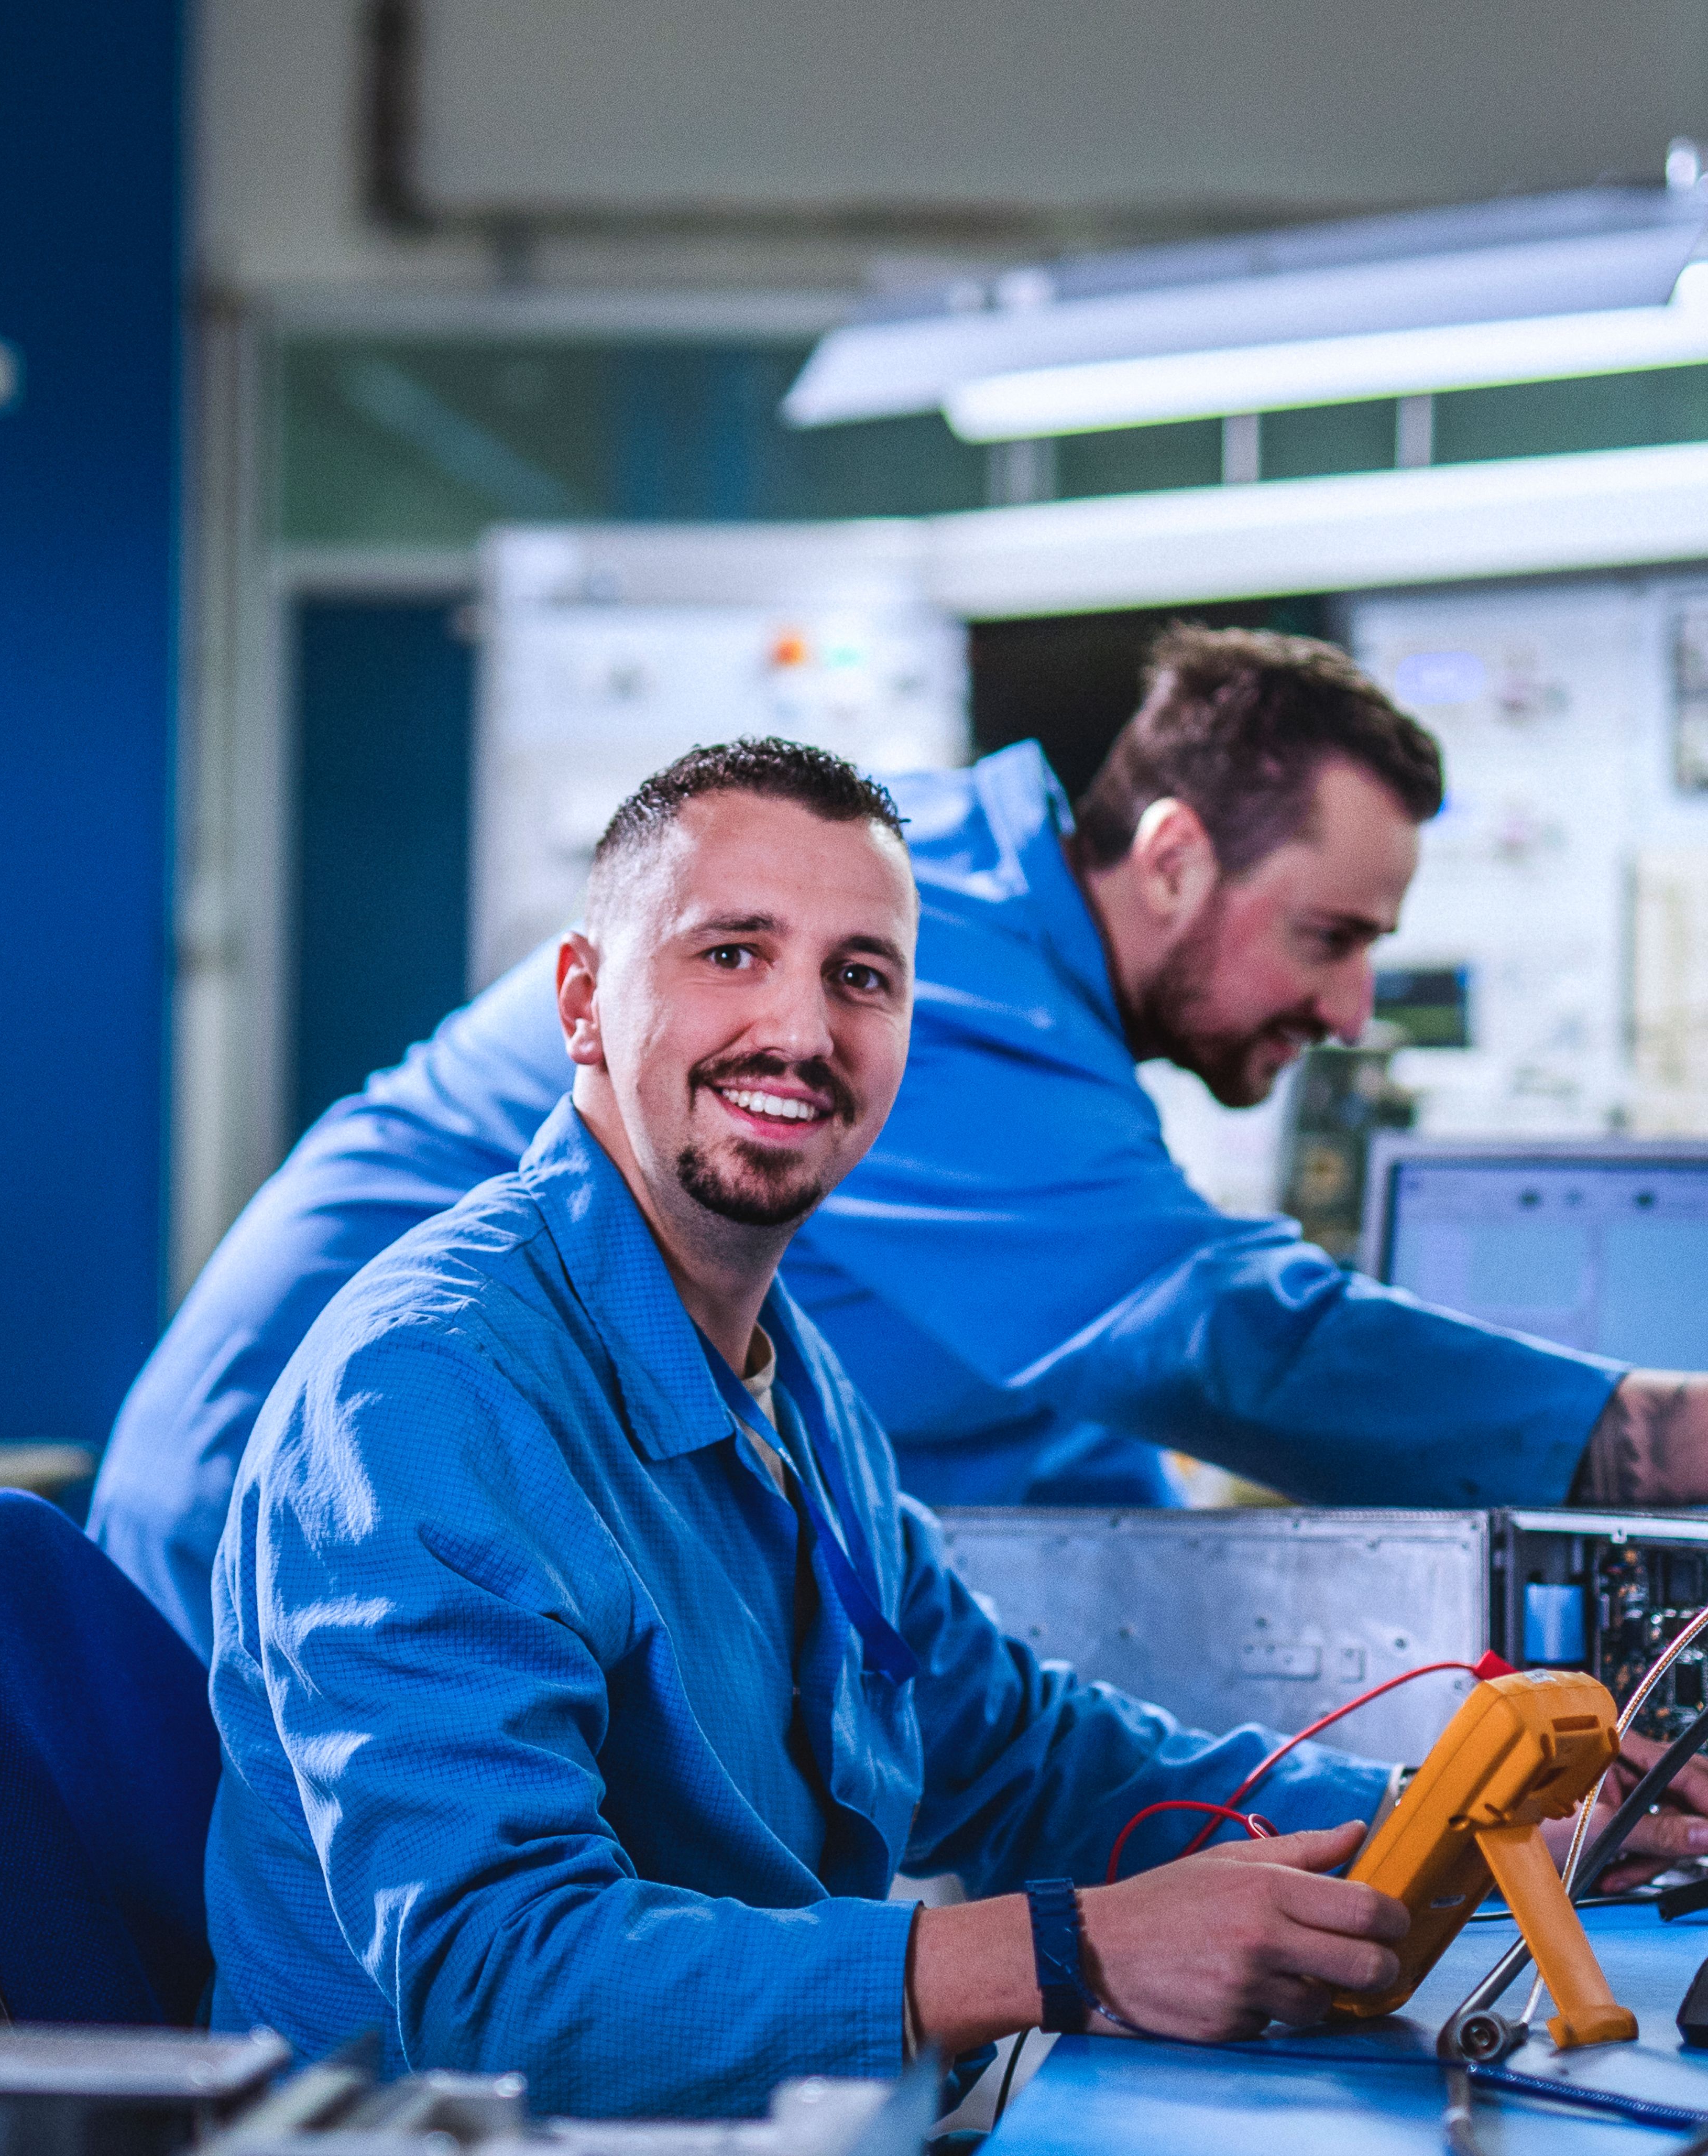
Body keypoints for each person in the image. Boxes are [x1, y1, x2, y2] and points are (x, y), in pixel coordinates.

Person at [94, 625, 1708, 1665]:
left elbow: (1060, 1425)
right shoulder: (934, 947)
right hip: (316, 1499)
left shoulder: (1024, 1013)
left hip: (478, 1510)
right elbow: (1201, 1331)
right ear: (1172, 857)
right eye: (1330, 935)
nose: (1356, 1007)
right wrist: (1640, 1435)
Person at [205, 741, 1410, 2114]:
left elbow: (1019, 1756)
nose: (801, 1030)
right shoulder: (428, 1393)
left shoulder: (795, 1382)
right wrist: (1065, 1949)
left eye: (861, 975)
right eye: (732, 952)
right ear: (585, 1003)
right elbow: (501, 1980)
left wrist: (1463, 1818)